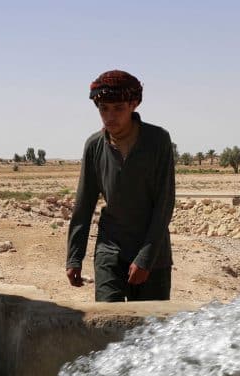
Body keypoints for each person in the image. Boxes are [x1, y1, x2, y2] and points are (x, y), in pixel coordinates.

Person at [66, 70, 176, 302]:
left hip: (152, 251)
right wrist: (74, 257)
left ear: (133, 104)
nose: (109, 117)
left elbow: (164, 204)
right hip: (110, 247)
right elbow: (83, 204)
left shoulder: (158, 141)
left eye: (118, 109)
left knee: (148, 330)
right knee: (107, 322)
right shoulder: (94, 145)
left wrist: (145, 259)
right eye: (103, 109)